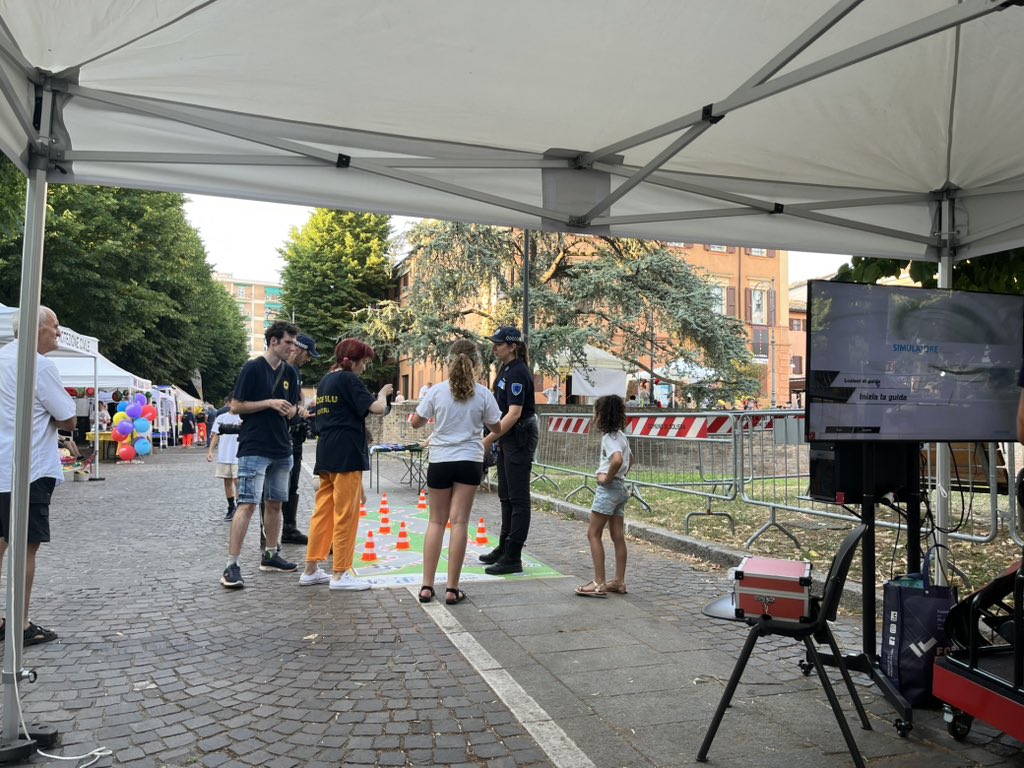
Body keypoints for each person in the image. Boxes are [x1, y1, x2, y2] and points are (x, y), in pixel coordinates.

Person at [0, 306, 76, 645]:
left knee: (1, 544)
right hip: (29, 469)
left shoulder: (2, 359)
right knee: (26, 548)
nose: (58, 333)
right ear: (36, 328)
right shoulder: (40, 366)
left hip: (2, 467)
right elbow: (68, 417)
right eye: (55, 326)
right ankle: (21, 623)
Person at [411, 340, 502, 604]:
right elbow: (495, 427)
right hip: (469, 460)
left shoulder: (436, 392)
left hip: (440, 459)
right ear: (477, 364)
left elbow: (416, 422)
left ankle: (426, 586)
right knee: (459, 522)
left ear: (449, 362)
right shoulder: (483, 393)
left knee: (436, 522)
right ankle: (452, 589)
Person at [300, 339, 392, 590]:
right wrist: (383, 394)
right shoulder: (350, 379)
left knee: (324, 512)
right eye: (363, 363)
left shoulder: (326, 380)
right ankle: (340, 573)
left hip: (327, 451)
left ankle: (311, 569)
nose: (364, 368)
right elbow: (377, 408)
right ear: (351, 361)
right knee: (345, 514)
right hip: (347, 452)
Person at [220, 320, 302, 589]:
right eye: (288, 342)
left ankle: (270, 554)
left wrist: (292, 411)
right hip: (255, 446)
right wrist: (269, 402)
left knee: (276, 503)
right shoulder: (253, 368)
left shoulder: (290, 373)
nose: (293, 347)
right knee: (247, 503)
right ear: (274, 341)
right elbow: (235, 406)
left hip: (282, 447)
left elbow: (295, 407)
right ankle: (231, 565)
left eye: (294, 343)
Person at [480, 326, 538, 575]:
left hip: (518, 437)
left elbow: (514, 414)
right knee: (505, 495)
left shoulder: (517, 372)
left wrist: (488, 440)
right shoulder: (506, 369)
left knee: (518, 497)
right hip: (508, 437)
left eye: (499, 343)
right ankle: (504, 546)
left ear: (512, 346)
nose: (495, 346)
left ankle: (514, 555)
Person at [575, 395, 632, 597]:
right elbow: (629, 459)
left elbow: (617, 459)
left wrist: (607, 478)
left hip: (608, 490)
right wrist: (619, 476)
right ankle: (619, 581)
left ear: (601, 415)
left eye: (595, 412)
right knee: (617, 536)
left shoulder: (609, 439)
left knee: (593, 534)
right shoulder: (622, 436)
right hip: (620, 489)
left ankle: (599, 583)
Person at [267, 333, 319, 546]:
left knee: (292, 485)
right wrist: (298, 409)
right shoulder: (278, 369)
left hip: (294, 434)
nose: (308, 360)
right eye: (308, 355)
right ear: (298, 349)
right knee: (273, 487)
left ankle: (289, 527)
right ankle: (268, 535)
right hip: (281, 434)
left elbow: (297, 397)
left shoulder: (295, 371)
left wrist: (302, 407)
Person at [208, 404, 243, 521]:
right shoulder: (221, 418)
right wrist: (210, 451)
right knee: (227, 482)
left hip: (238, 455)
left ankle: (238, 507)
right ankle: (231, 506)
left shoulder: (243, 418)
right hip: (224, 454)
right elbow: (216, 436)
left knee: (237, 481)